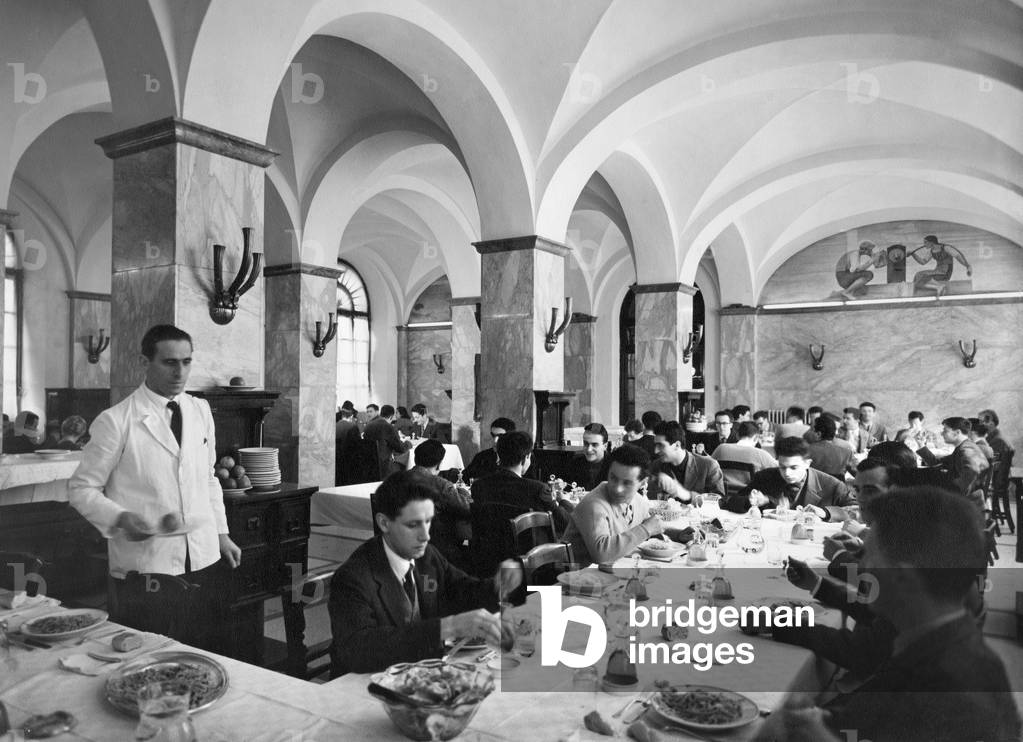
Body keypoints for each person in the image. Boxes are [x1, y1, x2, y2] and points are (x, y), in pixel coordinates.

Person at [756, 488, 1020, 742]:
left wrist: (820, 735)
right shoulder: (936, 635)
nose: (861, 566)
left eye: (869, 555)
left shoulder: (948, 686)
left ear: (902, 577)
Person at [68, 325, 241, 645]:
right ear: (143, 362)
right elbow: (81, 489)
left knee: (204, 652)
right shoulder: (116, 420)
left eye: (187, 362)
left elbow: (208, 477)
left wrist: (222, 534)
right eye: (169, 362)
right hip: (148, 564)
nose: (180, 372)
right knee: (148, 657)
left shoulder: (200, 410)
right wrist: (120, 519)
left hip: (203, 555)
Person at [328, 469, 522, 677]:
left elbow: (461, 590)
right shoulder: (353, 578)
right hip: (364, 689)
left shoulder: (425, 556)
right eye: (413, 525)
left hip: (421, 675)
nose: (425, 536)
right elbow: (360, 650)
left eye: (428, 521)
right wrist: (447, 627)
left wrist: (497, 585)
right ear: (384, 523)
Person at [562, 444, 663, 566]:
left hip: (613, 573)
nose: (617, 489)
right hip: (576, 577)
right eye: (613, 478)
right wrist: (646, 529)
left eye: (627, 483)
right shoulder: (594, 504)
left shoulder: (637, 500)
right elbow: (602, 555)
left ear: (642, 483)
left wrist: (678, 535)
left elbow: (651, 524)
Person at [727, 436, 855, 521]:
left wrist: (826, 513)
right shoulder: (765, 477)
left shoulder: (832, 485)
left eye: (794, 467)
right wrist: (750, 501)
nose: (787, 473)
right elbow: (731, 502)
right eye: (782, 467)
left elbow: (857, 510)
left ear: (807, 463)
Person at [470, 431, 571, 532]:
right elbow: (566, 524)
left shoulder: (478, 486)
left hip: (488, 546)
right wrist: (564, 501)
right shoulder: (538, 489)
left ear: (499, 455)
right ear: (526, 457)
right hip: (529, 547)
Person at [411, 439, 471, 568]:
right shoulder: (441, 485)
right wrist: (463, 492)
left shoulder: (396, 480)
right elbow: (468, 508)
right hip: (438, 552)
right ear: (439, 464)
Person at [918, 417, 988, 511]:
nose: (942, 433)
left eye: (945, 431)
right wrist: (921, 444)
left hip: (966, 504)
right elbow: (937, 463)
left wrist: (951, 490)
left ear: (957, 433)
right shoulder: (963, 447)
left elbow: (972, 471)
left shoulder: (966, 449)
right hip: (965, 498)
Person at [647, 420, 724, 502]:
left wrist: (687, 495)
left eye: (661, 445)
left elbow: (720, 502)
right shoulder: (656, 466)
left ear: (677, 445)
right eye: (655, 445)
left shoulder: (708, 465)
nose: (656, 451)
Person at [711, 421, 778, 495]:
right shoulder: (760, 454)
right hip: (748, 497)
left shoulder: (721, 448)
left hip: (722, 494)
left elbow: (710, 467)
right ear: (756, 438)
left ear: (737, 435)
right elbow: (779, 468)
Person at [908, 234, 972, 297]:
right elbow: (923, 262)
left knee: (920, 275)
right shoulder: (931, 251)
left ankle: (938, 287)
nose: (924, 244)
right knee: (918, 275)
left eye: (925, 242)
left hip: (945, 272)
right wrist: (913, 255)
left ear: (931, 242)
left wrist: (967, 266)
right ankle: (935, 288)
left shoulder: (946, 248)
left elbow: (958, 256)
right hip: (937, 271)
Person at [363, 404, 412, 476]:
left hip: (369, 464)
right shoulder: (388, 427)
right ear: (391, 417)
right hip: (384, 465)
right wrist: (408, 443)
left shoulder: (368, 426)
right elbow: (400, 448)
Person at [564, 422, 612, 491]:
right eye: (586, 444)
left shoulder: (614, 466)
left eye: (594, 445)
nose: (589, 450)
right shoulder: (575, 464)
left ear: (605, 446)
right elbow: (567, 489)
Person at [806, 415, 856, 480]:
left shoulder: (805, 451)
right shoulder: (847, 453)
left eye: (811, 429)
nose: (807, 432)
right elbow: (861, 474)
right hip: (838, 489)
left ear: (818, 434)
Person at [335, 405, 363, 485]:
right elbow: (357, 444)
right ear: (351, 416)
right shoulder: (352, 427)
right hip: (349, 460)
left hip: (337, 459)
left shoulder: (335, 426)